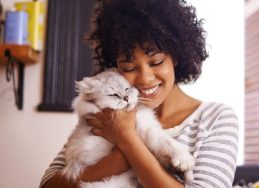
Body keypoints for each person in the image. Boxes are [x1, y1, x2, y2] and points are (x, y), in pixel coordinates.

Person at [39, 0, 239, 187]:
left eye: (156, 62)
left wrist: (127, 139)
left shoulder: (216, 119)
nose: (145, 78)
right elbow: (48, 183)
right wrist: (114, 162)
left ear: (176, 57)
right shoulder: (107, 114)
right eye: (128, 67)